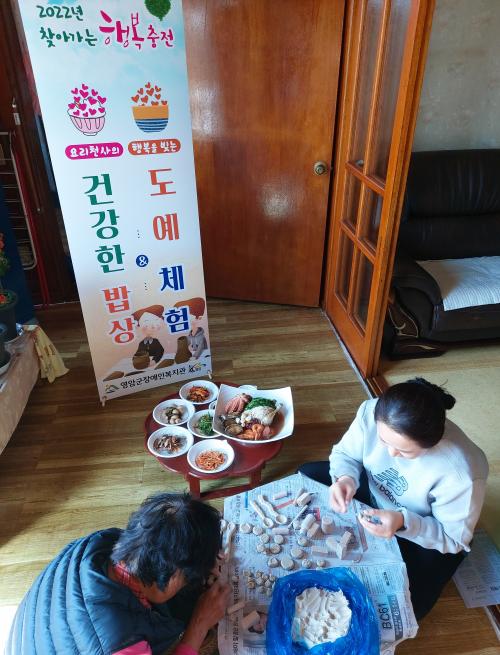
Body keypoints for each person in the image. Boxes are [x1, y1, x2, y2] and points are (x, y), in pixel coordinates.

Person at [298, 378, 488, 620]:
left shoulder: (461, 473)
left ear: (431, 444)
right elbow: (345, 454)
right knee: (307, 474)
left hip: (422, 528)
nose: (390, 453)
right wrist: (345, 479)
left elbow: (453, 539)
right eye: (383, 440)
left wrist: (402, 522)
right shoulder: (373, 412)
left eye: (405, 451)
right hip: (377, 494)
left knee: (412, 603)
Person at [7, 492, 230, 655]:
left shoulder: (102, 542)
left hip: (33, 635)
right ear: (172, 578)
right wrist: (199, 625)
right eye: (187, 577)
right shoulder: (119, 642)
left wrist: (200, 560)